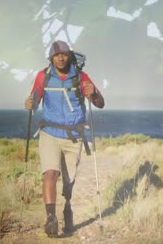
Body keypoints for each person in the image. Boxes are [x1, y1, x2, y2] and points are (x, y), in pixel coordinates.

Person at [25, 40, 105, 237]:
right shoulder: (43, 76)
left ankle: (67, 206)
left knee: (68, 182)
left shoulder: (80, 76)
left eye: (64, 54)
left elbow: (100, 103)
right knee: (50, 174)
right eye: (56, 55)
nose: (60, 58)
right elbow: (34, 102)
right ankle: (51, 218)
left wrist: (93, 94)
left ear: (70, 55)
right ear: (51, 58)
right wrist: (29, 103)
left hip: (73, 136)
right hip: (49, 133)